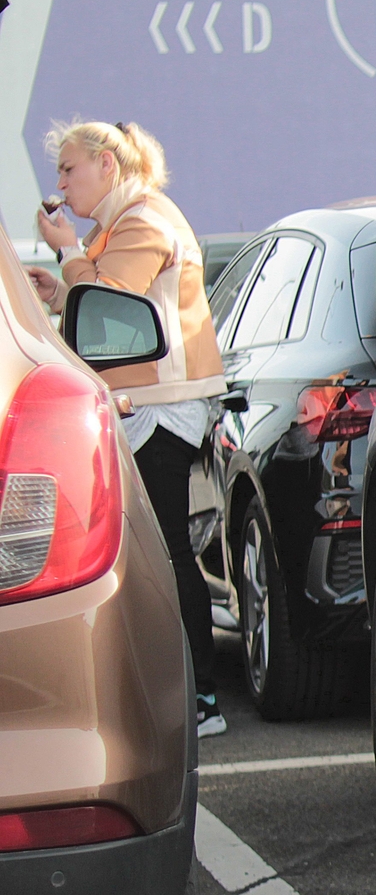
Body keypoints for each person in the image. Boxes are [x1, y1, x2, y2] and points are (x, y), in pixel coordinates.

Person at [30, 121, 227, 735]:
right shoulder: (122, 221)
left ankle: (202, 701)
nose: (59, 183)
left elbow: (113, 299)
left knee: (166, 551)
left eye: (69, 169)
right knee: (154, 552)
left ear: (108, 167)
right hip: (145, 404)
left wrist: (66, 255)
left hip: (162, 407)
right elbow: (107, 303)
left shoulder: (143, 219)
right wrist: (62, 290)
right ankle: (184, 695)